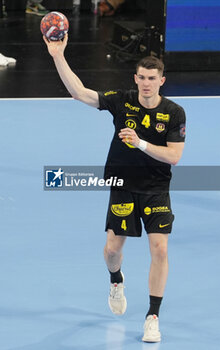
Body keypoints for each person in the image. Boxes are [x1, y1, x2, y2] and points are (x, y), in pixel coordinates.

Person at [43, 33, 186, 342]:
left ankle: (152, 316)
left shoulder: (174, 113)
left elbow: (174, 156)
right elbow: (80, 93)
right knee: (112, 251)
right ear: (136, 78)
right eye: (142, 77)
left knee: (159, 248)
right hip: (122, 185)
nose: (147, 83)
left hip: (156, 187)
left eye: (153, 78)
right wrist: (57, 56)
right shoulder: (122, 101)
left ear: (162, 81)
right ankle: (116, 279)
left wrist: (141, 143)